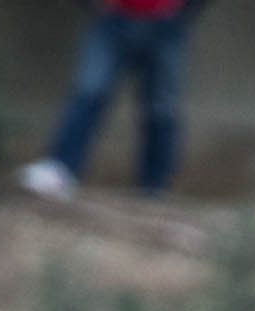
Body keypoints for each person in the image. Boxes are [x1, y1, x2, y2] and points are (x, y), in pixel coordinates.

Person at [20, 0, 208, 199]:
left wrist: (184, 10)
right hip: (113, 20)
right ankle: (59, 170)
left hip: (168, 24)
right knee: (89, 91)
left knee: (162, 107)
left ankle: (155, 186)